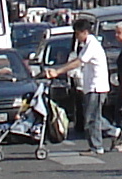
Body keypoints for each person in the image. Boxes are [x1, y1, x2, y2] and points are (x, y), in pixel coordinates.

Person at [49, 24, 115, 155]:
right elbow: (76, 61)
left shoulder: (92, 44)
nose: (76, 37)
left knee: (91, 118)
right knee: (94, 116)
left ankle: (97, 146)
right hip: (91, 86)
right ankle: (114, 132)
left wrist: (58, 71)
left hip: (96, 86)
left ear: (84, 32)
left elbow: (78, 62)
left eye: (77, 33)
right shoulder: (87, 45)